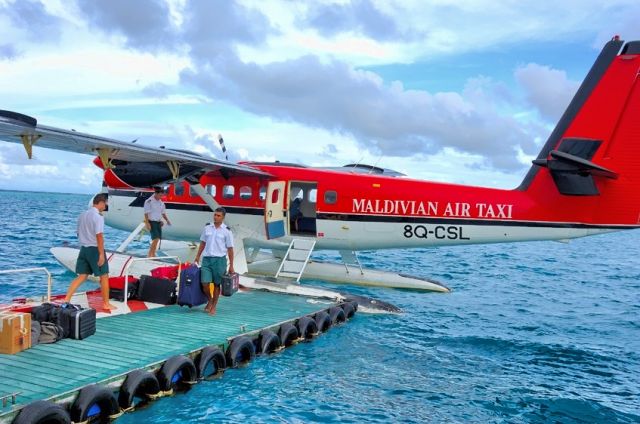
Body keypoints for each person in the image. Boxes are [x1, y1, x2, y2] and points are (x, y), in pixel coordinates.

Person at [64, 193, 115, 310]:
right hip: (94, 249)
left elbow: (77, 233)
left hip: (83, 249)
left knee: (82, 276)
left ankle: (66, 299)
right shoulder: (98, 217)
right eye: (106, 203)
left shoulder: (82, 215)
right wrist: (101, 254)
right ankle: (106, 304)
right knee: (104, 276)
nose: (106, 206)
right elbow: (99, 236)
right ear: (101, 202)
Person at [194, 207, 234, 315]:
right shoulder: (207, 228)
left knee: (217, 284)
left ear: (223, 217)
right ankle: (210, 299)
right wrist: (197, 256)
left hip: (220, 260)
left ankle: (214, 306)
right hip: (207, 259)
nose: (216, 217)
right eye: (215, 215)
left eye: (218, 215)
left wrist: (231, 266)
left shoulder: (227, 231)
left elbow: (230, 249)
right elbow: (203, 243)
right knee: (204, 283)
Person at [144, 186, 171, 258]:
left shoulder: (161, 203)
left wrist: (167, 220)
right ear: (156, 193)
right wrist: (147, 223)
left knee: (157, 239)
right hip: (152, 222)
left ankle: (152, 253)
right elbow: (146, 213)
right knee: (155, 238)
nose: (161, 197)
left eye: (162, 195)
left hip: (158, 222)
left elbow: (163, 213)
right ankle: (150, 255)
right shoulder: (149, 201)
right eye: (160, 195)